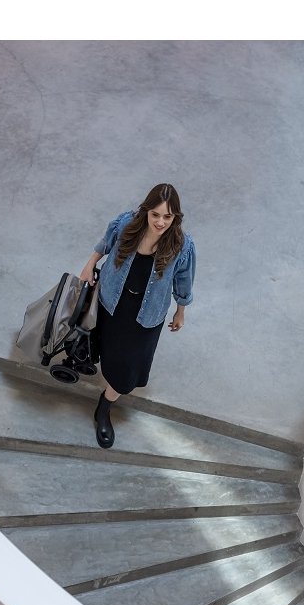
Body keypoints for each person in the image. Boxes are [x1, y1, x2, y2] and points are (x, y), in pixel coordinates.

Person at [79, 183, 195, 448]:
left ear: (175, 217)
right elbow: (105, 244)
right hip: (110, 302)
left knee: (125, 373)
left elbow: (184, 281)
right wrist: (89, 264)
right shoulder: (127, 225)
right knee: (97, 348)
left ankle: (104, 408)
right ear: (146, 211)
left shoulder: (182, 246)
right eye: (155, 214)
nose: (161, 222)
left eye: (168, 216)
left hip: (146, 317)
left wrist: (181, 311)